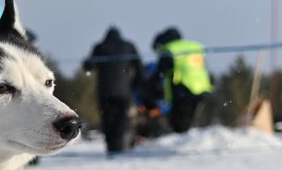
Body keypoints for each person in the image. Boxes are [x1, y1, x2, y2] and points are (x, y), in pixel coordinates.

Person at [84, 27, 143, 155]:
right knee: (121, 120)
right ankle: (119, 146)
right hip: (123, 92)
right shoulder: (128, 46)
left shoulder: (100, 47)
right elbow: (139, 67)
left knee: (107, 119)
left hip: (104, 92)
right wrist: (135, 85)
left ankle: (111, 147)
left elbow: (87, 66)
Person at [152, 28, 212, 134]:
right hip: (202, 88)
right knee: (191, 122)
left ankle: (182, 140)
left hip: (183, 89)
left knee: (180, 125)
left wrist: (154, 88)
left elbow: (160, 73)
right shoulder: (195, 46)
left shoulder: (169, 49)